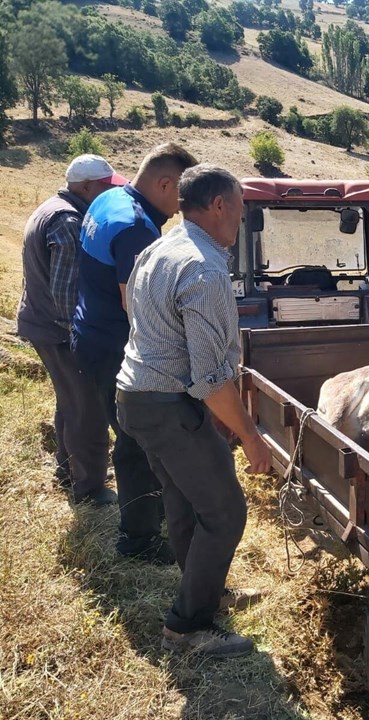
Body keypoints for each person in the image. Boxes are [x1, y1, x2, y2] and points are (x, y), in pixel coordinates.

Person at [117, 164, 272, 658]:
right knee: (226, 512)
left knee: (184, 501)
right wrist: (247, 434)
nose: (241, 220)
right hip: (170, 407)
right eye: (240, 209)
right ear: (219, 206)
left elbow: (137, 317)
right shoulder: (204, 269)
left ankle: (202, 591)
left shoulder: (158, 248)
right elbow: (209, 378)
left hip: (138, 398)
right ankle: (188, 628)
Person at [72, 142, 198, 562]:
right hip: (112, 346)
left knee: (128, 436)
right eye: (181, 198)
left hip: (90, 333)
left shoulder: (112, 197)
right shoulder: (136, 228)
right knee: (136, 442)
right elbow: (138, 304)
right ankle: (139, 540)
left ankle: (147, 513)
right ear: (164, 183)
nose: (181, 210)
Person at [16, 155, 126, 505]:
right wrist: (80, 337)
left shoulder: (52, 206)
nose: (109, 195)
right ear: (86, 187)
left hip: (41, 324)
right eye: (105, 188)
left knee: (70, 401)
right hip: (59, 330)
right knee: (88, 409)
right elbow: (66, 292)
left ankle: (67, 469)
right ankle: (89, 489)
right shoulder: (68, 220)